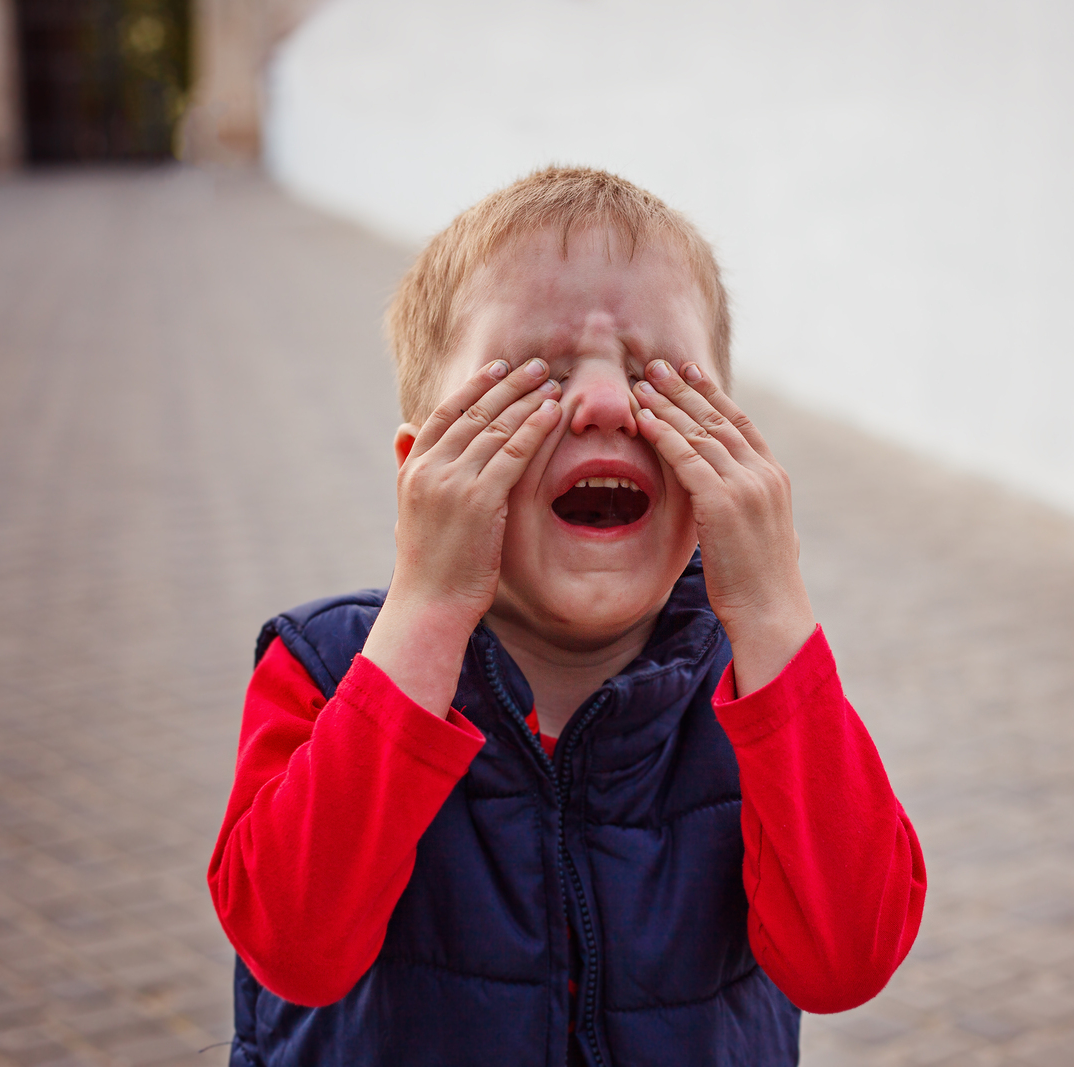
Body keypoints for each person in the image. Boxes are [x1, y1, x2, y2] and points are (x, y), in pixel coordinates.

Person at [208, 167, 926, 1067]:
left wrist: (772, 607)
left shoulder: (761, 692)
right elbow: (293, 948)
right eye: (535, 377)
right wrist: (427, 604)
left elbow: (848, 961)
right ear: (422, 471)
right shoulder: (324, 668)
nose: (607, 404)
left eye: (659, 377)